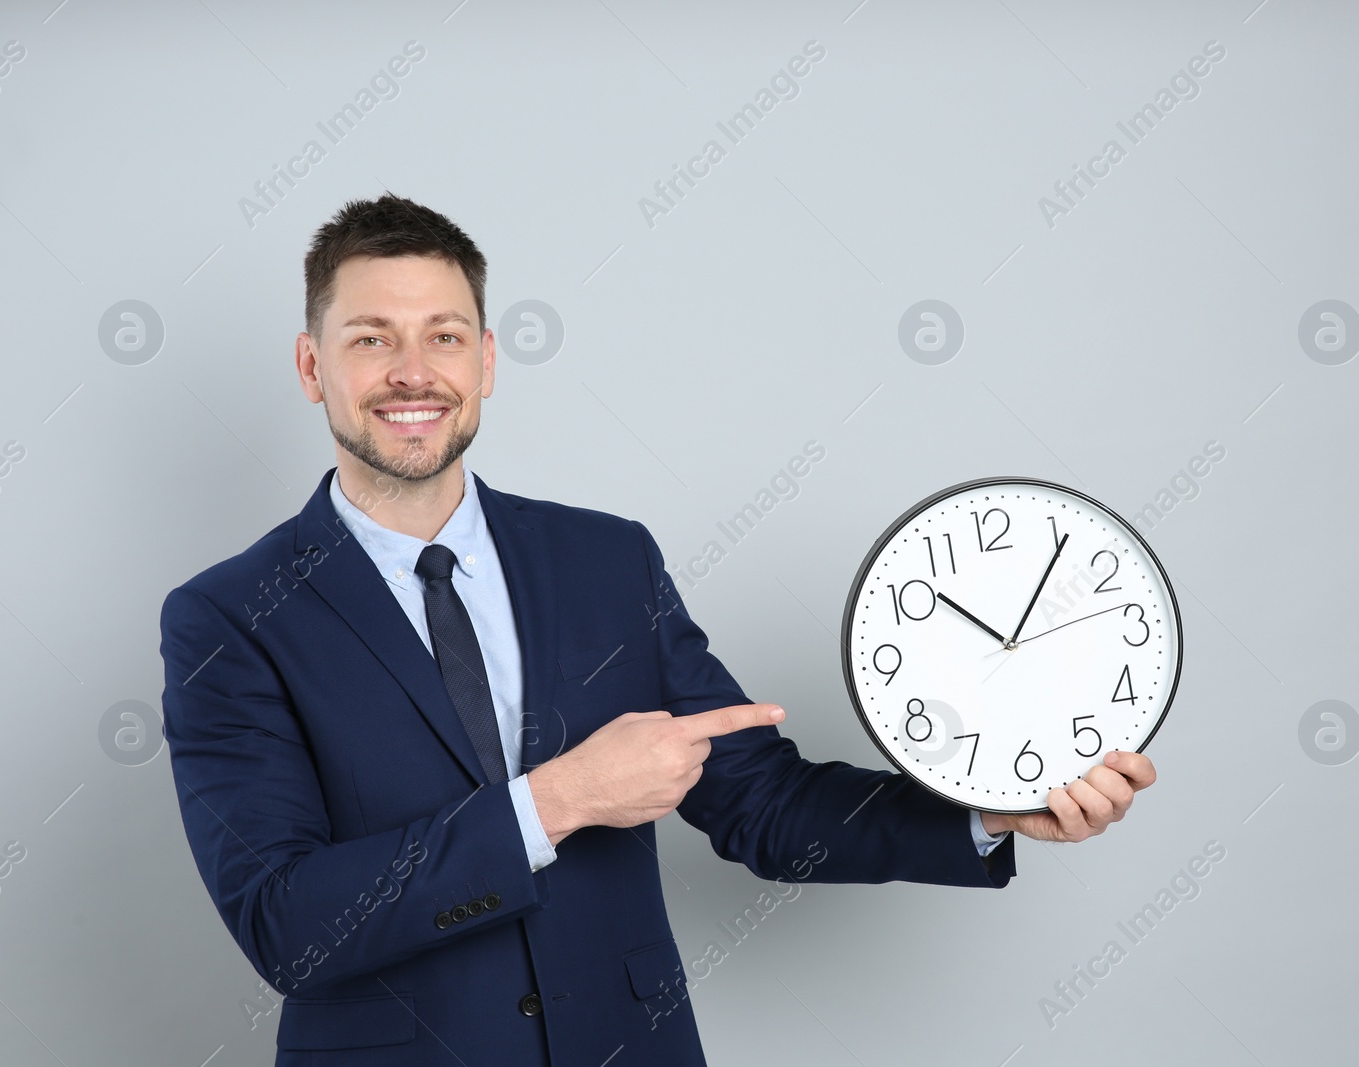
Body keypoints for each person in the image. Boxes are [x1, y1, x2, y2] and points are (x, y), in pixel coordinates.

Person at [158, 193, 1156, 1066]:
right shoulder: (229, 615)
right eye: (371, 337)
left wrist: (988, 810)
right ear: (310, 364)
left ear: (488, 359)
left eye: (445, 335)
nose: (412, 372)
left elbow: (763, 804)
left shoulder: (606, 560)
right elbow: (286, 922)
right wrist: (558, 800)